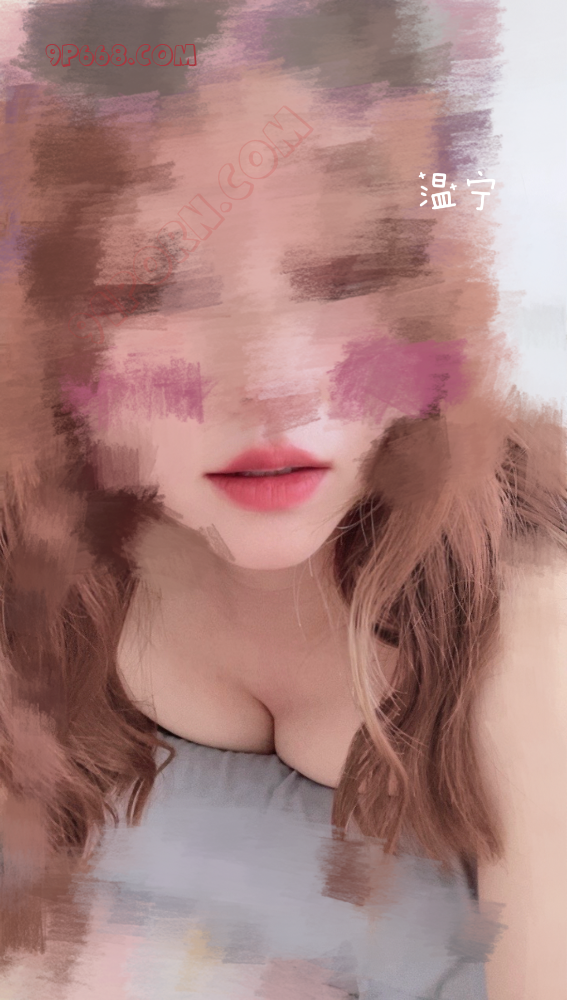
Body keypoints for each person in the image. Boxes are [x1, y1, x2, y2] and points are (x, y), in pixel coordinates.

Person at [1, 2, 566, 997]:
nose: (271, 380)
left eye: (346, 272)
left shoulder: (526, 619)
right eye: (150, 286)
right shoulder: (35, 543)